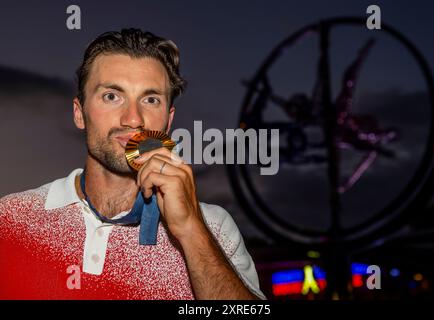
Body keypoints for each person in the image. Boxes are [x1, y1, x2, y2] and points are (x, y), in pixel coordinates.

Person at [0, 28, 265, 300]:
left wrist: (191, 231)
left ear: (169, 120)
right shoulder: (10, 217)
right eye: (112, 96)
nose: (134, 119)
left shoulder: (212, 226)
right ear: (80, 114)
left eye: (150, 100)